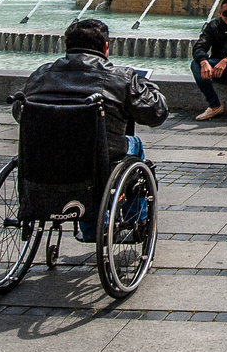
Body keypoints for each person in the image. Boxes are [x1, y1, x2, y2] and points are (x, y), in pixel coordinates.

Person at [11, 18, 168, 239]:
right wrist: (148, 87)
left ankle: (91, 226)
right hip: (98, 162)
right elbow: (156, 113)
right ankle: (136, 220)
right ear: (105, 47)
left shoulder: (40, 75)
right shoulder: (120, 78)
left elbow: (21, 112)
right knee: (135, 145)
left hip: (42, 161)